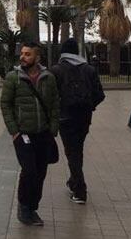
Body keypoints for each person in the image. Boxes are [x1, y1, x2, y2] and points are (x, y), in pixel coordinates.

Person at [0, 42, 59, 227]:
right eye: (22, 54)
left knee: (41, 172)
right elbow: (5, 104)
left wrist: (53, 129)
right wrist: (14, 131)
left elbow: (55, 104)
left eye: (27, 54)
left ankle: (32, 208)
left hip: (43, 133)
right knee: (29, 171)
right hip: (23, 134)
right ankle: (24, 208)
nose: (23, 57)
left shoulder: (48, 77)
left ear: (37, 57)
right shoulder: (13, 78)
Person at [49, 38, 105, 205]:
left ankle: (80, 189)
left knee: (72, 152)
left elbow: (51, 96)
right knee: (76, 150)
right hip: (84, 118)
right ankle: (74, 181)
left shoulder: (56, 70)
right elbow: (100, 94)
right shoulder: (89, 69)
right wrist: (89, 106)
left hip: (66, 117)